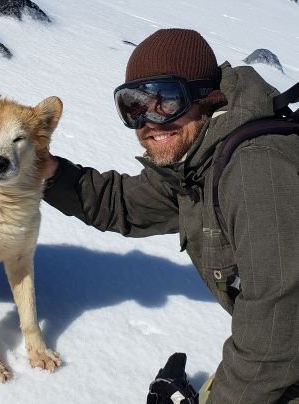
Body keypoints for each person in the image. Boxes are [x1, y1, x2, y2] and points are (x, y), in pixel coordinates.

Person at [43, 28, 299, 403]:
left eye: (165, 101)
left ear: (204, 98)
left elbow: (276, 335)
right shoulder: (198, 163)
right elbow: (124, 204)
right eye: (133, 106)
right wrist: (47, 172)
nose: (149, 121)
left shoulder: (254, 171)